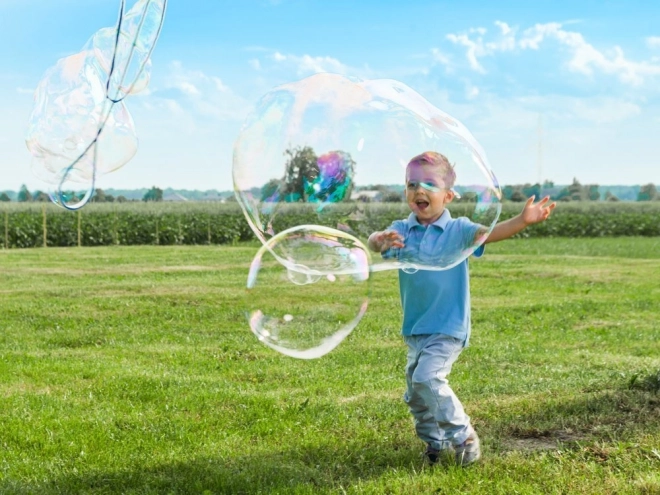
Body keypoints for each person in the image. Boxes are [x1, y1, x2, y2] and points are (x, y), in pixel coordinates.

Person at [367, 151, 556, 467]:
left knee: (428, 378)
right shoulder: (401, 229)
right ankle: (433, 443)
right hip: (416, 327)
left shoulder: (460, 230)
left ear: (448, 195)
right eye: (412, 184)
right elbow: (374, 243)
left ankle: (463, 437)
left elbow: (491, 233)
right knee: (416, 392)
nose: (419, 190)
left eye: (430, 183)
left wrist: (522, 220)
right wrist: (380, 240)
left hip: (448, 326)